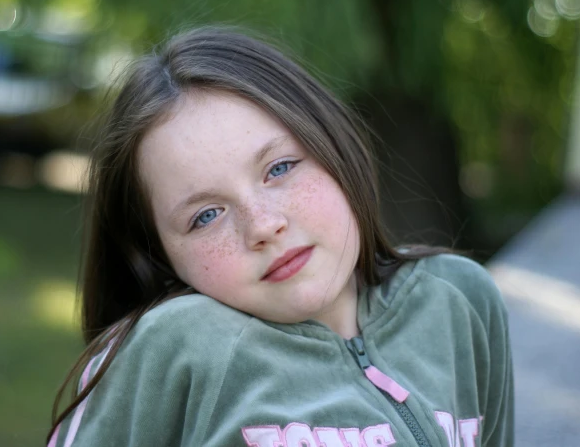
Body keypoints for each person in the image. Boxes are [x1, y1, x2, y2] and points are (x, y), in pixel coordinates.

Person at [46, 27, 514, 447]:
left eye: (280, 168)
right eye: (206, 215)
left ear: (334, 144)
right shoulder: (175, 349)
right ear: (161, 257)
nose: (263, 226)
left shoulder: (458, 299)